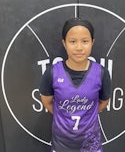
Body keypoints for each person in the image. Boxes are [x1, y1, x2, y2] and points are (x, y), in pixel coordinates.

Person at [40, 18, 111, 152]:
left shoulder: (101, 73)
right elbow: (47, 102)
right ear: (64, 43)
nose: (79, 47)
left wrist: (87, 116)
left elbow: (103, 102)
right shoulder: (52, 72)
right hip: (61, 144)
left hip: (90, 145)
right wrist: (63, 117)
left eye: (85, 41)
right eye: (73, 41)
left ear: (92, 42)